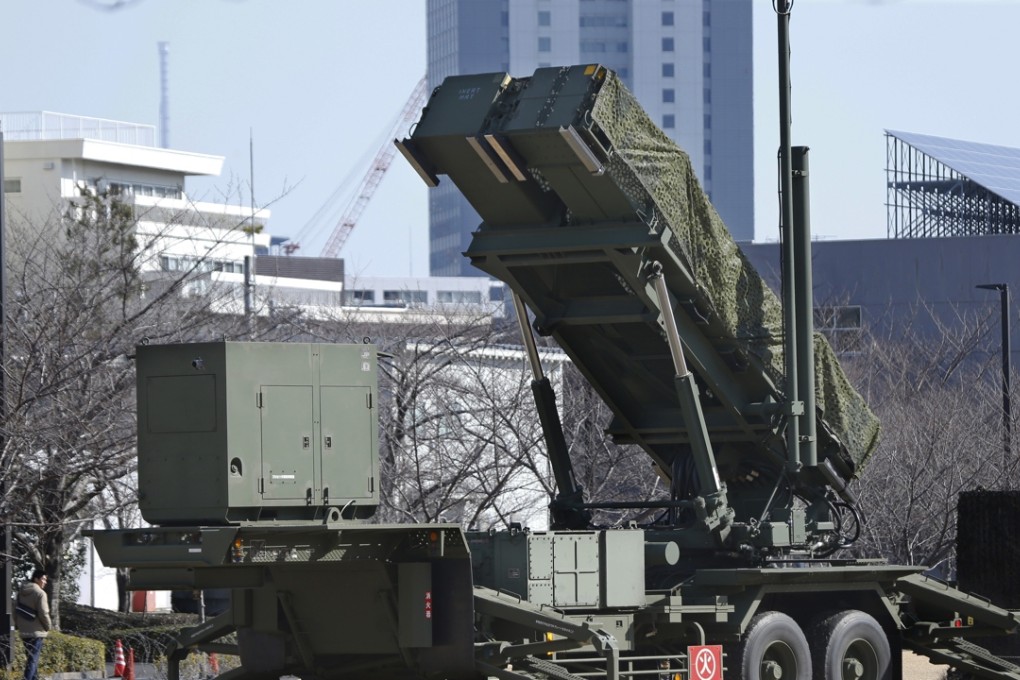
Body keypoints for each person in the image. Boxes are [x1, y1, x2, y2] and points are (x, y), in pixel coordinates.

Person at [15, 569, 51, 680]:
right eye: (43, 579)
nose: (45, 582)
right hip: (36, 632)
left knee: (31, 659)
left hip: (24, 631)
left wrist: (18, 625)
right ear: (36, 579)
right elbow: (44, 613)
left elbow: (14, 610)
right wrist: (48, 626)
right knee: (32, 660)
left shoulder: (20, 593)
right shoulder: (40, 593)